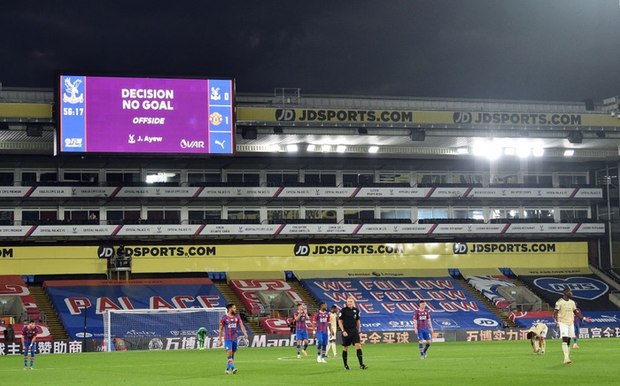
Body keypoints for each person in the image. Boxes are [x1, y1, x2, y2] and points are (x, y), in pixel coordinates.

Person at [553, 288, 591, 364]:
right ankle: (566, 358)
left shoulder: (572, 302)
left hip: (571, 322)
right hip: (563, 322)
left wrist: (584, 318)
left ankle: (566, 358)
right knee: (565, 338)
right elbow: (555, 311)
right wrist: (555, 320)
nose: (571, 293)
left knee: (569, 339)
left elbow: (576, 313)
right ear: (566, 293)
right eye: (570, 292)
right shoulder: (559, 302)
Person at [338, 296, 368, 370]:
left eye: (351, 302)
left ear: (353, 303)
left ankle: (361, 365)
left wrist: (358, 329)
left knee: (358, 346)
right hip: (346, 330)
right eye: (348, 301)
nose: (349, 303)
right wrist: (343, 331)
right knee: (345, 347)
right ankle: (345, 365)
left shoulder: (356, 310)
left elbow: (357, 320)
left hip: (354, 330)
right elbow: (340, 321)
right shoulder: (343, 310)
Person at [218, 303, 248, 374]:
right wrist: (220, 340)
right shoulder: (224, 318)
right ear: (230, 309)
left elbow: (241, 325)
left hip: (235, 339)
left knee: (232, 355)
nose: (235, 309)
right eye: (234, 308)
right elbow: (221, 329)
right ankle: (233, 368)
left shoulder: (237, 316)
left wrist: (245, 333)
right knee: (229, 354)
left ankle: (227, 369)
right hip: (228, 339)